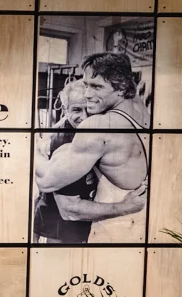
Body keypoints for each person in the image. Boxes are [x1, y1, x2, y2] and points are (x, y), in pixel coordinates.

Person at [33, 54, 150, 243]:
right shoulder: (140, 110)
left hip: (113, 234)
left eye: (96, 87)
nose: (87, 94)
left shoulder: (98, 127)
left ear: (121, 88)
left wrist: (32, 149)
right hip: (144, 229)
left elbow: (46, 181)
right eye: (86, 85)